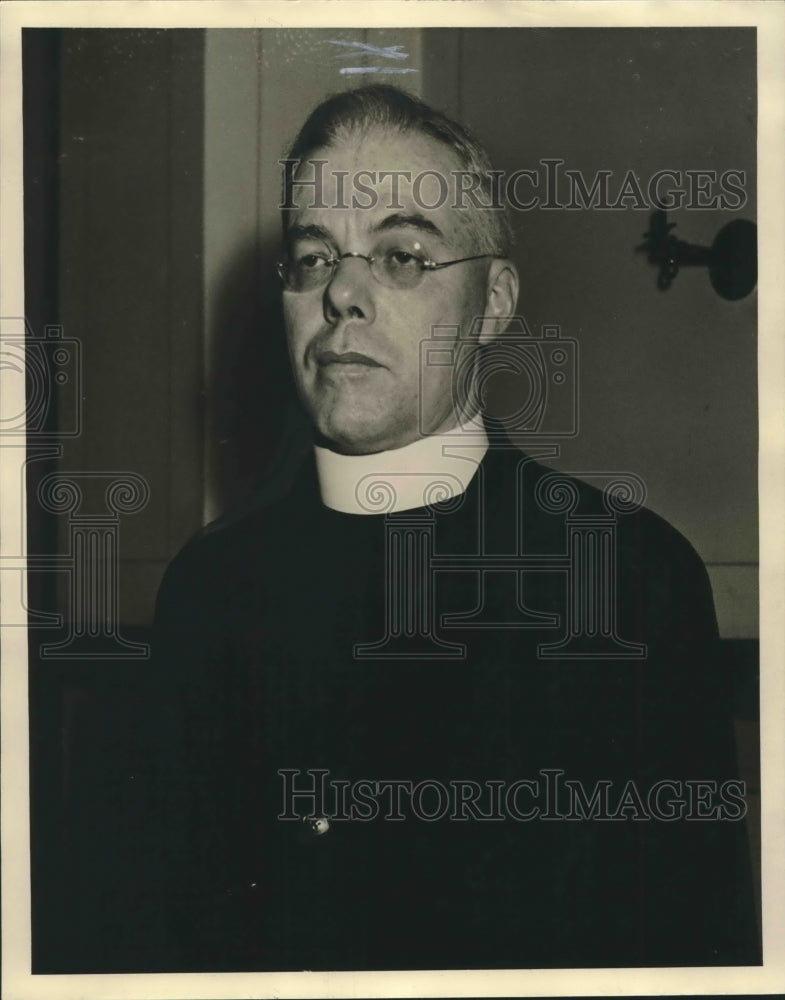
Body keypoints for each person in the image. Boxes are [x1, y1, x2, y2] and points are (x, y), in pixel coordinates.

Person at [148, 85, 757, 971]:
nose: (342, 295)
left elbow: (694, 950)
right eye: (314, 257)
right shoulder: (206, 592)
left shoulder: (628, 581)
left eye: (399, 256)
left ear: (494, 301)